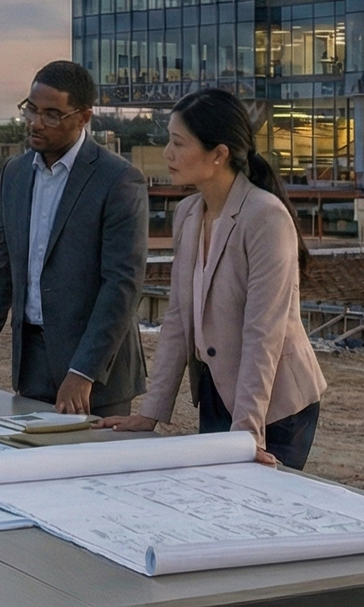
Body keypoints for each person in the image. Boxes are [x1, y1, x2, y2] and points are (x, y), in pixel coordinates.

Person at [99, 87, 325, 469]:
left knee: (258, 510)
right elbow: (177, 320)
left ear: (218, 154)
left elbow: (263, 332)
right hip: (217, 390)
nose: (167, 153)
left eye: (178, 143)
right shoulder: (187, 213)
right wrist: (149, 414)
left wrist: (247, 433)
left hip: (276, 403)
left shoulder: (265, 217)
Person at [0, 61, 147, 416]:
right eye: (31, 109)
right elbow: (1, 268)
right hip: (31, 367)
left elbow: (122, 285)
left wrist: (83, 370)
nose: (36, 122)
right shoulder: (14, 174)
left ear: (83, 117)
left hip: (97, 378)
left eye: (52, 115)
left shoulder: (118, 180)